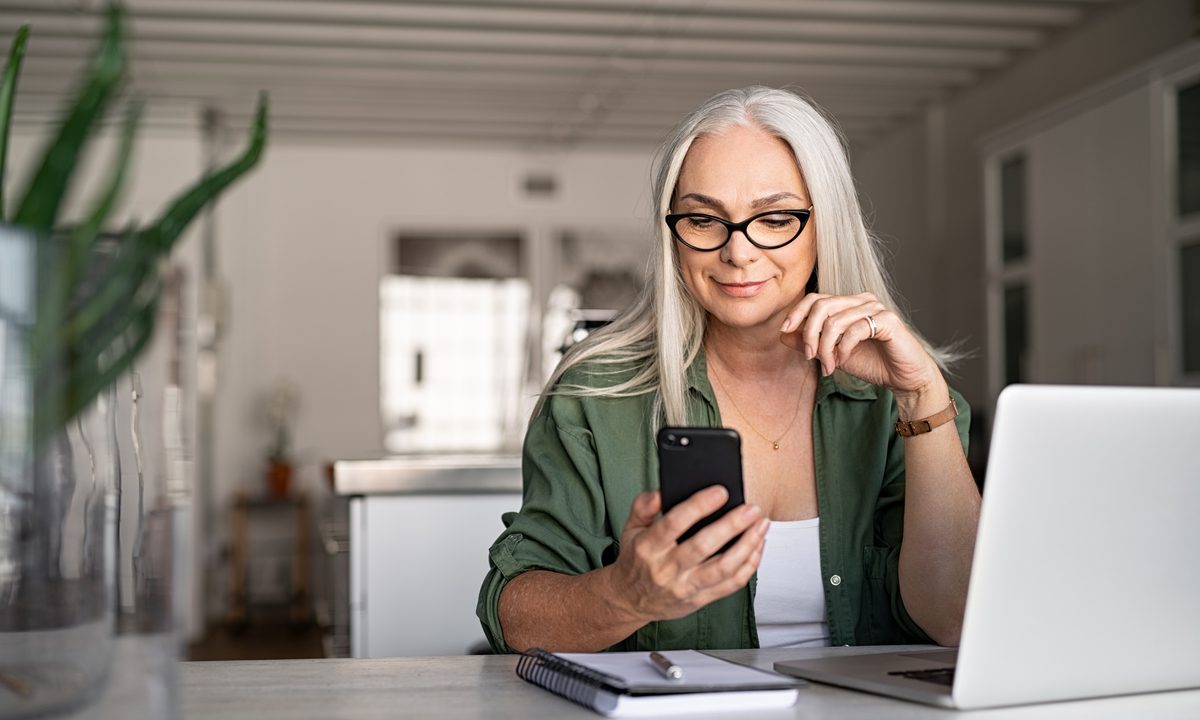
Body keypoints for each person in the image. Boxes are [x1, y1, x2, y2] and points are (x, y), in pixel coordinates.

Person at [477, 86, 981, 653]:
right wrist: (626, 595)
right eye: (703, 219)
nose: (737, 253)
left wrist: (922, 400)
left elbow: (957, 619)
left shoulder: (908, 401)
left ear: (825, 224)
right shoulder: (595, 393)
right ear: (674, 236)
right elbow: (514, 617)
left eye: (774, 219)